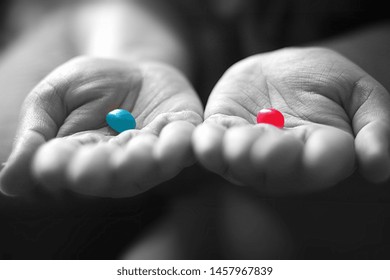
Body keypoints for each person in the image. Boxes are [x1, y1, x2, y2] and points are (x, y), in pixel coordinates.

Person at [1, 0, 390, 258]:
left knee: (272, 233)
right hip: (155, 30)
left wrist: (360, 56)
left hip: (340, 51)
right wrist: (133, 55)